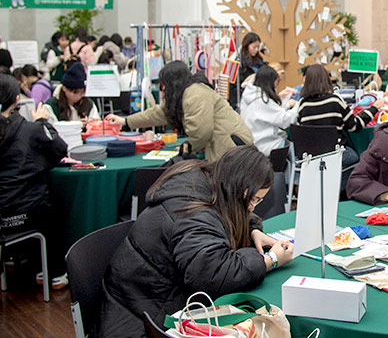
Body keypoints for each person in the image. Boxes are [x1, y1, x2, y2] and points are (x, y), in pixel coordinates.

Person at [98, 145, 293, 338]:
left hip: (146, 301)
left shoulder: (206, 181)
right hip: (144, 322)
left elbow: (228, 210)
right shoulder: (195, 214)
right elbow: (214, 274)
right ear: (239, 189)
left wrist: (253, 230)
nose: (252, 207)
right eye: (254, 199)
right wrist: (271, 260)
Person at [0, 75, 69, 290]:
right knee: (57, 207)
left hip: (2, 214)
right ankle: (55, 272)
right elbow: (60, 149)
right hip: (30, 214)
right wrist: (42, 122)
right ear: (17, 99)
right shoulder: (31, 131)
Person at [106, 61, 253, 160]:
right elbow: (158, 113)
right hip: (225, 147)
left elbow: (201, 131)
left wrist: (188, 147)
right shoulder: (185, 93)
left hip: (232, 148)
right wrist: (126, 121)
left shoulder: (195, 94)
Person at [297, 64, 383, 175]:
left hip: (310, 157)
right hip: (334, 154)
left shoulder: (303, 104)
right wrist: (374, 108)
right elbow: (355, 126)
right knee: (357, 156)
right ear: (326, 80)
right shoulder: (335, 101)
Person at [240, 65, 298, 157]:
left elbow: (272, 114)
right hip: (264, 146)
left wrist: (285, 105)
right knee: (293, 150)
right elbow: (285, 120)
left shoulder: (250, 96)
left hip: (253, 143)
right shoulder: (262, 101)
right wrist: (298, 106)